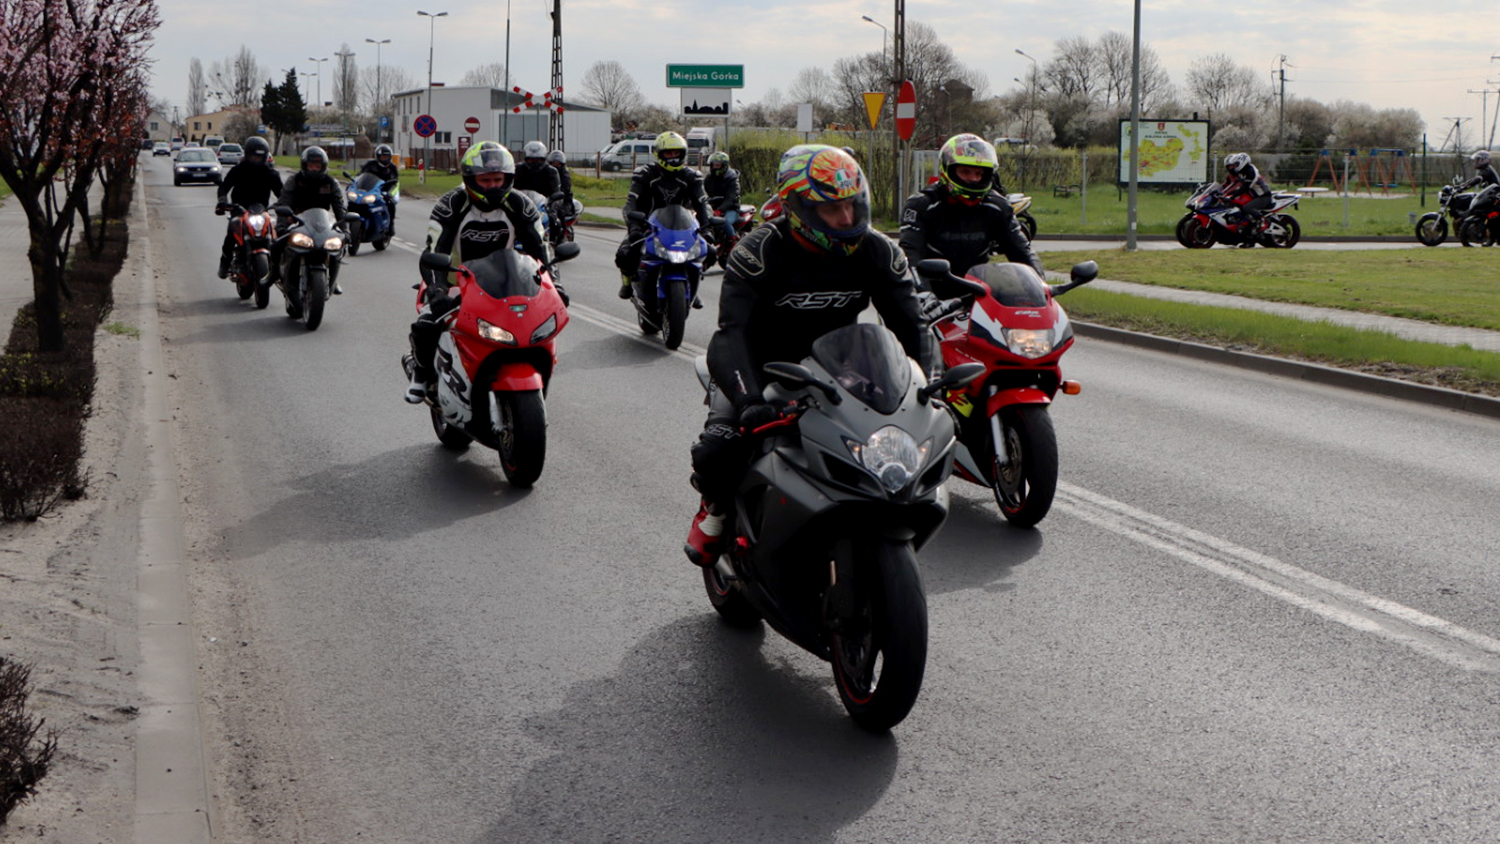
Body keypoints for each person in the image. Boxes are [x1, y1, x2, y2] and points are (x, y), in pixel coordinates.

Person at [683, 144, 937, 567]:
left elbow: (912, 325)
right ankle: (716, 508)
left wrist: (929, 388)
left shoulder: (879, 251)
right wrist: (748, 403)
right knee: (718, 451)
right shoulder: (758, 250)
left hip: (841, 370)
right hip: (757, 367)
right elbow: (731, 334)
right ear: (797, 206)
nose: (847, 219)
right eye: (832, 209)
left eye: (853, 206)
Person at [404, 143, 564, 404]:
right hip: (454, 281)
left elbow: (542, 250)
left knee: (537, 326)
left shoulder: (520, 204)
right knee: (425, 326)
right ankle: (422, 373)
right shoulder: (450, 204)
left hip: (504, 284)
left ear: (508, 178)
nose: (493, 186)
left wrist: (555, 285)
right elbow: (434, 249)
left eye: (498, 179)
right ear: (471, 179)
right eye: (486, 180)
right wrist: (437, 290)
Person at [898, 133, 1044, 280]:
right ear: (947, 169)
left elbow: (1022, 251)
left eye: (979, 173)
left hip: (978, 292)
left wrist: (1041, 286)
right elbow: (910, 255)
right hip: (932, 293)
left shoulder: (997, 206)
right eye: (965, 172)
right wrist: (924, 293)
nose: (973, 179)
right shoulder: (921, 205)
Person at [614, 131, 713, 299]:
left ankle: (691, 283)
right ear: (659, 154)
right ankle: (627, 281)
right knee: (625, 253)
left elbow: (703, 204)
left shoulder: (691, 176)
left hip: (682, 228)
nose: (673, 157)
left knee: (709, 252)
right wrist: (635, 227)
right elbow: (631, 203)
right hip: (648, 226)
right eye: (668, 153)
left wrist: (707, 228)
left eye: (676, 153)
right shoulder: (644, 174)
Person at [276, 146, 348, 292]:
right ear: (304, 166)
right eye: (311, 166)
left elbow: (339, 207)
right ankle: (274, 273)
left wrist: (345, 230)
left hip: (322, 224)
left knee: (338, 246)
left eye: (317, 166)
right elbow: (284, 201)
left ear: (323, 167)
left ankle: (332, 281)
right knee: (277, 244)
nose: (314, 169)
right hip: (297, 222)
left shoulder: (331, 182)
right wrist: (282, 224)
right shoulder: (294, 180)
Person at [214, 136, 282, 279]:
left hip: (261, 211)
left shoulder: (270, 173)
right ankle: (224, 263)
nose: (257, 159)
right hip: (239, 210)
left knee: (276, 236)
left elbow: (281, 193)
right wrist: (222, 201)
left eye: (260, 157)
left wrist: (285, 205)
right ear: (247, 155)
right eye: (254, 156)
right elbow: (224, 187)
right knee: (231, 236)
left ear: (265, 156)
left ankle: (279, 266)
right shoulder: (238, 170)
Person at [1219, 152, 1273, 245]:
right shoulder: (1241, 172)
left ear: (1242, 163)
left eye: (1236, 164)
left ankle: (1261, 221)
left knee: (1247, 208)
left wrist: (1232, 197)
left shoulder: (1251, 171)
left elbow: (1245, 187)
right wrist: (1221, 192)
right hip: (1253, 196)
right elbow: (1233, 184)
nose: (1234, 167)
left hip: (1263, 196)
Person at [703, 150, 742, 244]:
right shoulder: (708, 179)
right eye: (713, 165)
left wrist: (720, 210)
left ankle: (733, 241)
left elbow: (731, 198)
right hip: (714, 207)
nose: (714, 167)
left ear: (724, 166)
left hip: (731, 209)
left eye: (717, 165)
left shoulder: (732, 180)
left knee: (724, 222)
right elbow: (706, 194)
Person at [359, 144, 401, 225]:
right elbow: (361, 176)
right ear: (378, 157)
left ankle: (390, 225)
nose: (385, 159)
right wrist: (354, 183)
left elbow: (394, 181)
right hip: (370, 189)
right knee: (356, 201)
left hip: (386, 190)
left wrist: (389, 193)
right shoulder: (370, 164)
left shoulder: (392, 167)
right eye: (383, 157)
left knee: (391, 203)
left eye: (387, 157)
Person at [545, 149, 576, 233]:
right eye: (553, 162)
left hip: (563, 200)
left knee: (559, 212)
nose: (555, 164)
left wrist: (557, 195)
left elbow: (565, 188)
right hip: (548, 199)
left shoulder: (564, 174)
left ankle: (561, 232)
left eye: (557, 163)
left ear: (562, 163)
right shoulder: (547, 172)